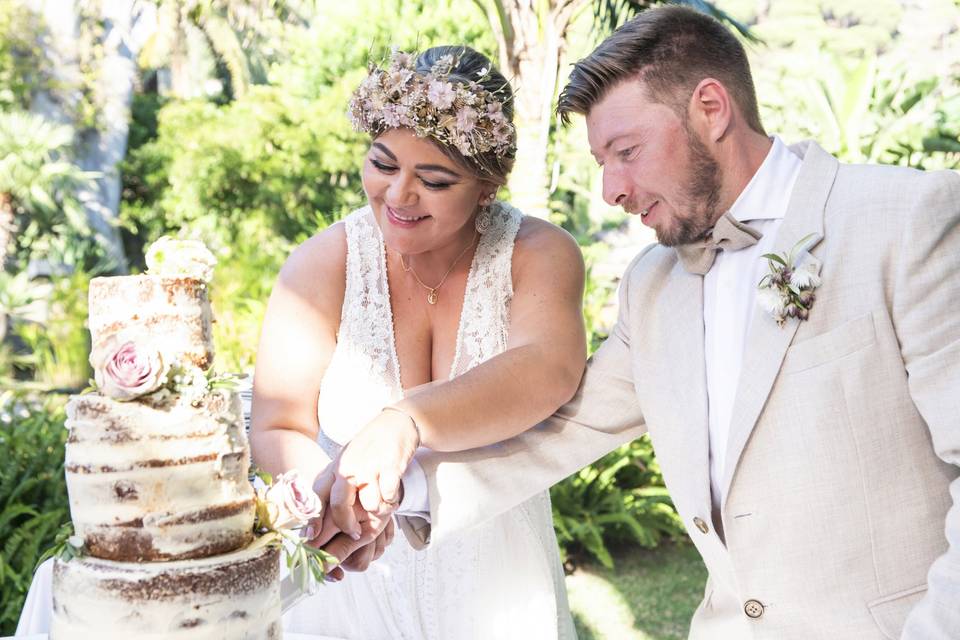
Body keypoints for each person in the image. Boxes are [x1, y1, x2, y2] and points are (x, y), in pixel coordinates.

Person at [322, 8, 960, 639]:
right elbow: (563, 431)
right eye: (603, 162)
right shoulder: (653, 286)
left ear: (711, 109)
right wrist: (386, 491)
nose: (611, 191)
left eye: (626, 152)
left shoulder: (909, 221)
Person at [249, 45, 585, 639]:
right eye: (383, 164)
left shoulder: (540, 254)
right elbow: (278, 423)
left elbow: (547, 367)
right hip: (352, 577)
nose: (399, 196)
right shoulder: (322, 263)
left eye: (433, 180)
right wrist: (342, 508)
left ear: (487, 185)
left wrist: (403, 421)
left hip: (497, 579)